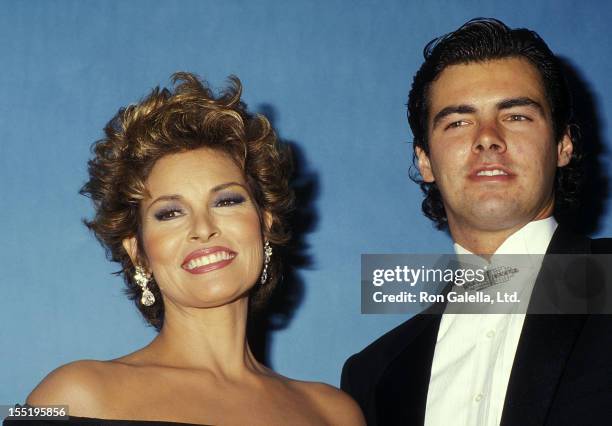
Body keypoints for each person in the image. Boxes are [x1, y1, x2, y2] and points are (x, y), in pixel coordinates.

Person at [23, 72, 365, 425]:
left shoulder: (334, 412)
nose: (203, 229)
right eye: (170, 213)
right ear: (137, 251)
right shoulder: (72, 395)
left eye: (227, 201)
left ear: (264, 225)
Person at [341, 18, 612, 426]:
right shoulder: (374, 374)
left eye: (517, 116)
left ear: (563, 144)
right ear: (425, 159)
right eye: (458, 122)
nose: (487, 138)